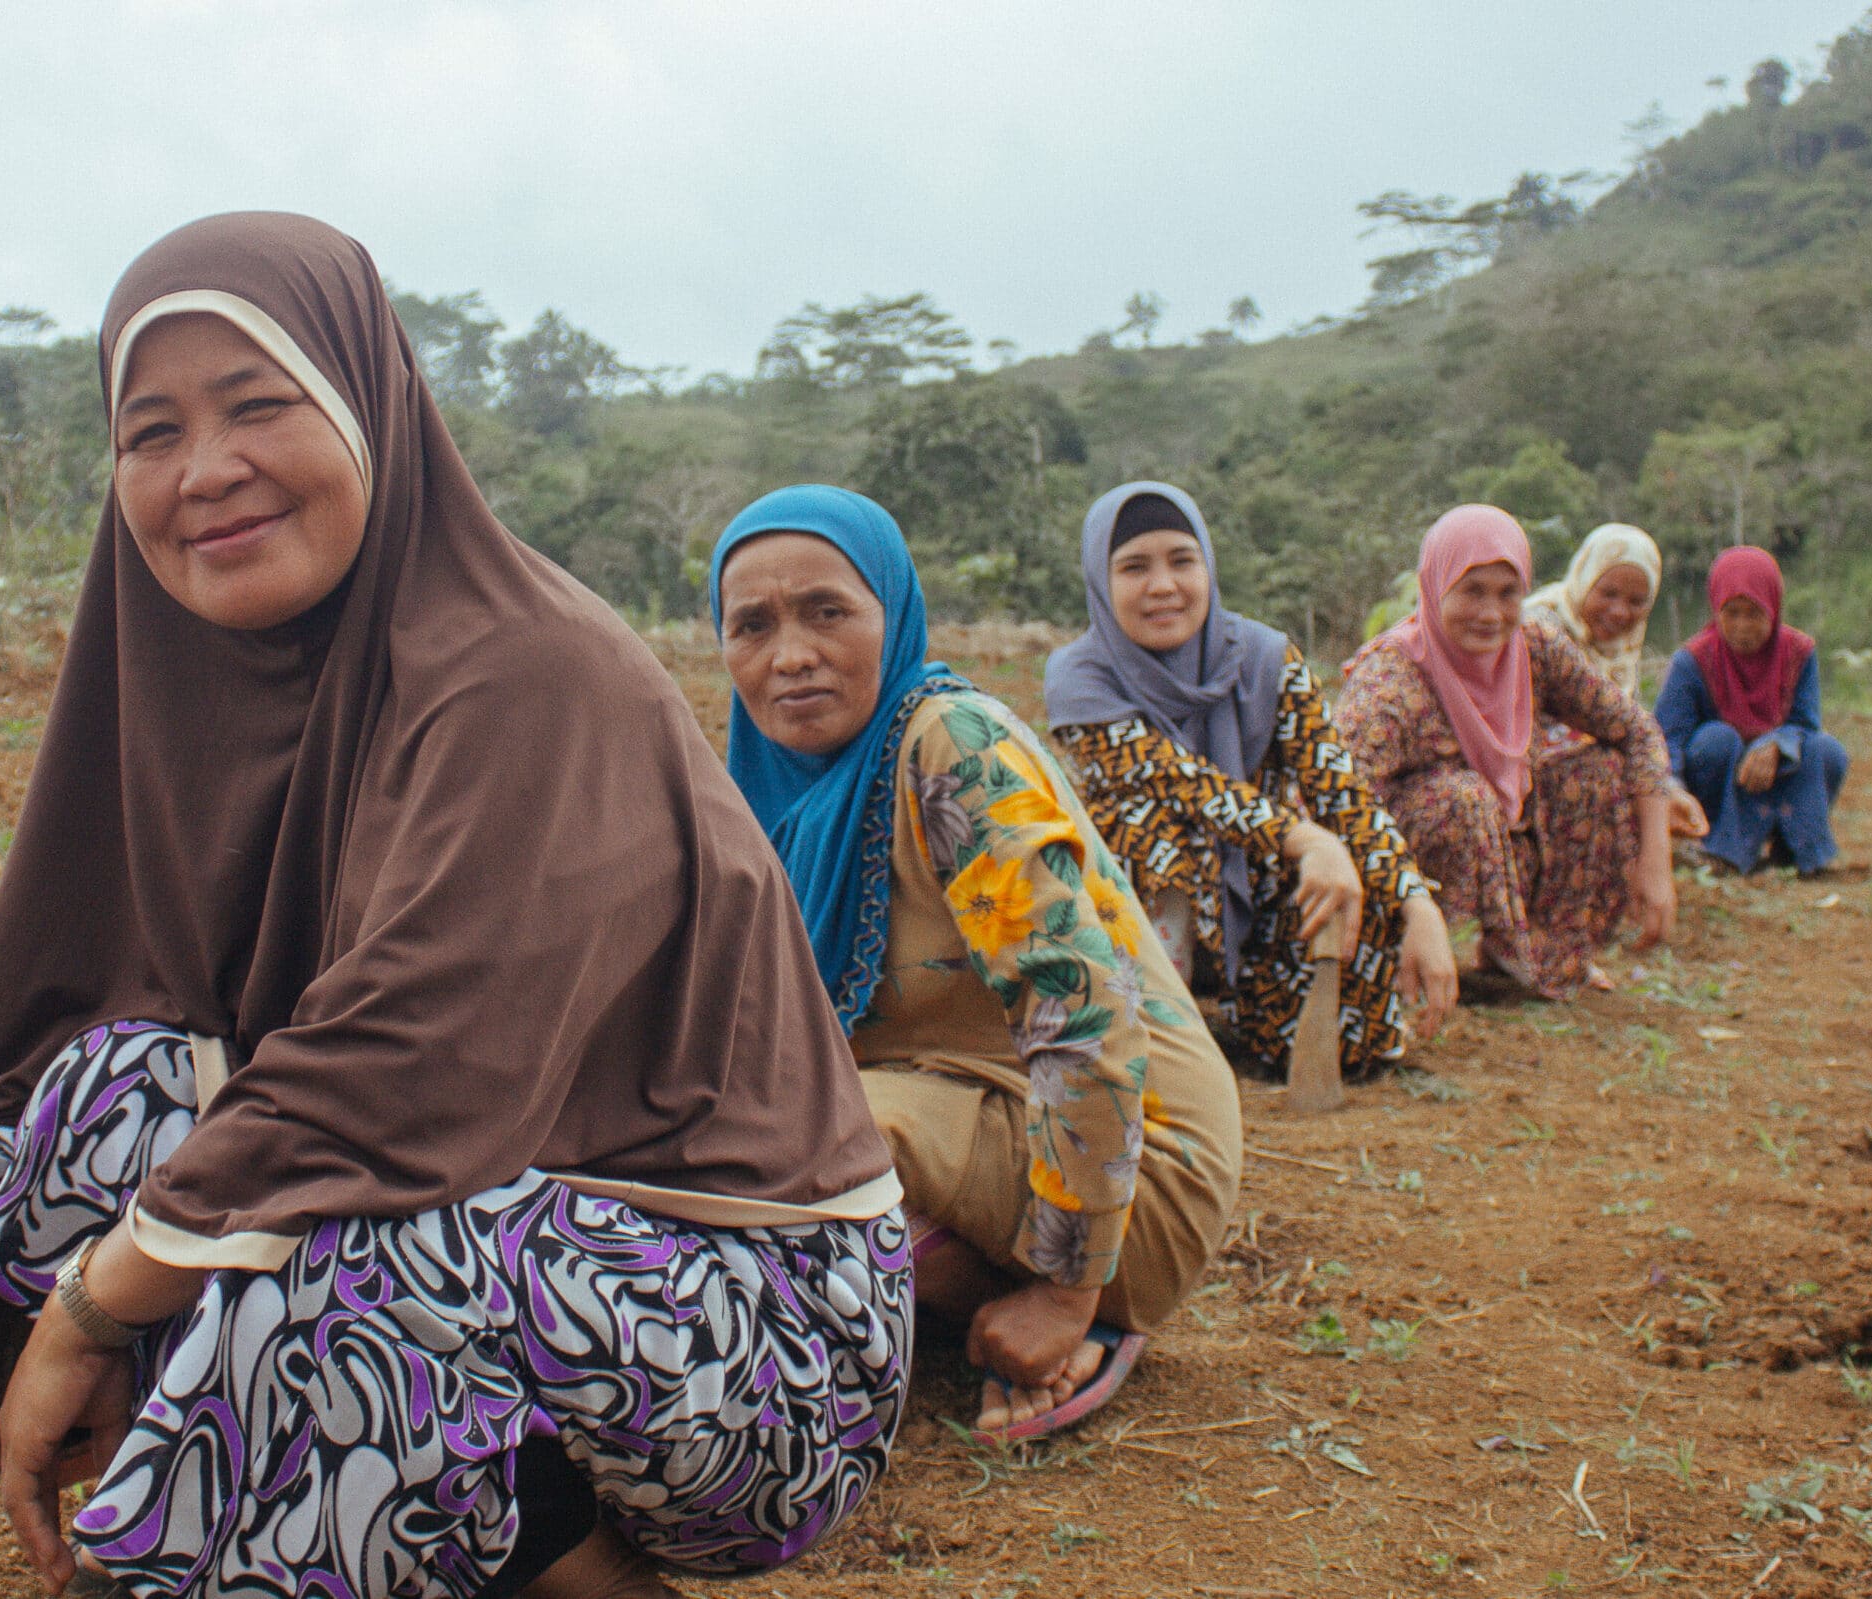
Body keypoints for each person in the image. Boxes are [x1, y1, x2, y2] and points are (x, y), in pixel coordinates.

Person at [0, 215, 912, 1599]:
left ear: (367, 402)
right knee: (126, 1092)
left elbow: (399, 1091)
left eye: (260, 404)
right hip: (500, 1233)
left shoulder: (527, 672)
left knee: (331, 1242)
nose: (206, 470)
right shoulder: (195, 694)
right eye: (150, 430)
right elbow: (101, 1058)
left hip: (766, 1337)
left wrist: (93, 1310)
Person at [709, 484, 1241, 1444]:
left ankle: (1076, 1312)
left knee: (796, 1137)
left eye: (828, 611)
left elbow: (1083, 1015)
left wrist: (1068, 1293)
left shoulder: (953, 748)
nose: (789, 655)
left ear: (893, 609)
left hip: (1143, 1172)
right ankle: (964, 1291)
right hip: (974, 1112)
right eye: (751, 625)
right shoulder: (768, 790)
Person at [1044, 483, 1458, 1079]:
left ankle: (1269, 1025)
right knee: (1148, 825)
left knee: (1360, 879)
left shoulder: (1266, 659)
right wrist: (1310, 840)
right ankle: (1153, 1031)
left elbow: (1340, 790)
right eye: (1134, 567)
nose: (1163, 585)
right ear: (1101, 582)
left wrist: (1415, 902)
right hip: (1142, 907)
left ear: (1208, 566)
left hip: (1256, 892)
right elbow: (1184, 785)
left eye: (1182, 561)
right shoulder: (1080, 678)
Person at [1333, 505, 1676, 998]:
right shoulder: (1392, 681)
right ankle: (1398, 957)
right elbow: (1335, 800)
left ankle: (1541, 957)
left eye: (1507, 593)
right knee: (1464, 798)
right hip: (1393, 864)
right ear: (1435, 586)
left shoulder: (1533, 645)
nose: (1491, 614)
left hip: (1504, 835)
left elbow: (1637, 731)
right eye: (1471, 591)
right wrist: (1406, 901)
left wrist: (1656, 860)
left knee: (1596, 771)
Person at [1652, 545, 1849, 875]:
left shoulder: (1798, 652)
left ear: (1773, 609)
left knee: (1826, 751)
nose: (1743, 626)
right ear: (1716, 609)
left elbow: (1805, 721)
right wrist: (1671, 790)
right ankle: (1717, 848)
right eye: (1732, 613)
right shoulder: (1694, 660)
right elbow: (1665, 737)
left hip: (1776, 772)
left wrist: (1775, 745)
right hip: (1720, 776)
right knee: (1717, 739)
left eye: (1754, 613)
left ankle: (1797, 850)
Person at [1522, 522, 1710, 839]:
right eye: (1607, 593)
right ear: (1584, 580)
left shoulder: (1621, 650)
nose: (1620, 611)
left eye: (1637, 601)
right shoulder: (1538, 626)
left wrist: (1665, 793)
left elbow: (1624, 726)